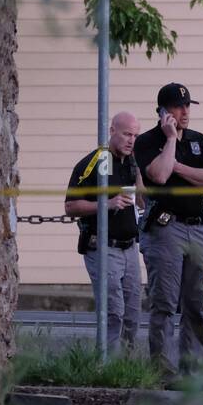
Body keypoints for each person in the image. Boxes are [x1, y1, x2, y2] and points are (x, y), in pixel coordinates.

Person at [133, 83, 203, 376]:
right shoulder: (147, 141)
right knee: (165, 303)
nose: (185, 112)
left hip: (197, 229)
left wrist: (179, 167)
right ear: (163, 111)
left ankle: (192, 370)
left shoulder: (199, 140)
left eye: (187, 106)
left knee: (196, 303)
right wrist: (170, 139)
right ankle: (163, 371)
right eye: (178, 107)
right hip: (166, 229)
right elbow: (157, 174)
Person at [64, 111, 143, 354]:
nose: (131, 140)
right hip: (102, 246)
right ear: (112, 131)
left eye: (135, 136)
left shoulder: (131, 162)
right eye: (127, 134)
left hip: (130, 247)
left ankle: (126, 366)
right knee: (114, 312)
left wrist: (139, 170)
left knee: (132, 313)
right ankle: (106, 366)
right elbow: (70, 207)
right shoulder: (94, 162)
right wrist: (106, 204)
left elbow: (141, 201)